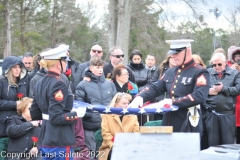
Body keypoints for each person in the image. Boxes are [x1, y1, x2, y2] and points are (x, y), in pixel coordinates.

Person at [129, 39, 210, 134]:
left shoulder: (199, 72)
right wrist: (140, 97)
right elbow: (156, 87)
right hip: (168, 121)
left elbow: (199, 96)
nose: (173, 56)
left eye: (176, 53)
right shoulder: (171, 71)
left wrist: (172, 102)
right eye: (172, 53)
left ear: (187, 51)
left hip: (188, 122)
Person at [30, 45, 85, 160]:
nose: (66, 64)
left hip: (46, 137)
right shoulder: (59, 83)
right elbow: (55, 117)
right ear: (57, 63)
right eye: (64, 61)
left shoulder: (39, 83)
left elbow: (35, 114)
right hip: (59, 139)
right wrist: (76, 114)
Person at [75, 57, 117, 160]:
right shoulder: (83, 84)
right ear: (91, 68)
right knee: (92, 155)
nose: (100, 70)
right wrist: (90, 115)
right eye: (97, 67)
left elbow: (115, 103)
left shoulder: (110, 85)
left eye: (101, 67)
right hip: (90, 127)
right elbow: (79, 104)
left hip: (107, 127)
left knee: (108, 154)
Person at [203, 52, 240, 147]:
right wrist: (207, 91)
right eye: (214, 65)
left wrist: (223, 89)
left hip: (227, 113)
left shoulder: (235, 73)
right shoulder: (207, 72)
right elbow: (198, 88)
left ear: (225, 63)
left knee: (228, 144)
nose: (217, 67)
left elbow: (238, 89)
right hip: (211, 113)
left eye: (219, 64)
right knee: (212, 143)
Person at [0, 56, 29, 160]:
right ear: (8, 69)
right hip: (3, 129)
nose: (18, 69)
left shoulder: (23, 83)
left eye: (19, 67)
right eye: (14, 67)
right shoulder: (1, 82)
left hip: (19, 126)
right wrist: (15, 104)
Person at [99, 93, 139, 160]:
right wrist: (114, 146)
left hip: (129, 147)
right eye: (124, 103)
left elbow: (136, 134)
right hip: (110, 147)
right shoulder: (106, 116)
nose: (127, 106)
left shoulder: (133, 116)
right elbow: (106, 134)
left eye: (127, 103)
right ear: (115, 104)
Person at [227, 46, 240, 143]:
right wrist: (232, 71)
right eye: (237, 57)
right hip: (232, 108)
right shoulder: (229, 69)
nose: (238, 59)